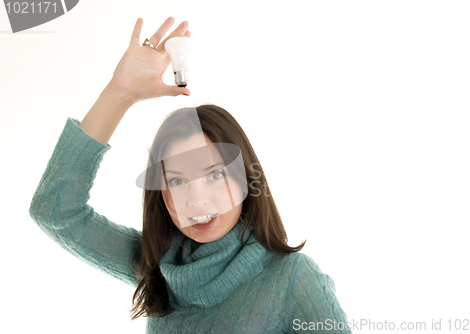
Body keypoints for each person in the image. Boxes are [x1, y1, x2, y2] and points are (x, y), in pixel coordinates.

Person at [29, 17, 352, 333]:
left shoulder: (293, 279)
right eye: (178, 181)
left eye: (214, 175)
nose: (197, 200)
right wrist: (119, 94)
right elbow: (55, 210)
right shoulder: (157, 267)